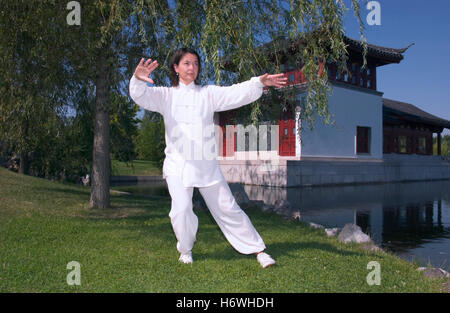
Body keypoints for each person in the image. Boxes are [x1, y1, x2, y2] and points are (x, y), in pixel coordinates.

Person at [129, 47, 287, 268]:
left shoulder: (208, 94)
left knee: (228, 207)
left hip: (206, 165)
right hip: (177, 165)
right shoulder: (165, 95)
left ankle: (258, 250)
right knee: (181, 210)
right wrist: (137, 79)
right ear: (176, 68)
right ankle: (185, 250)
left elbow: (234, 93)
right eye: (186, 63)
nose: (191, 67)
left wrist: (258, 83)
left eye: (195, 63)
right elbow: (141, 95)